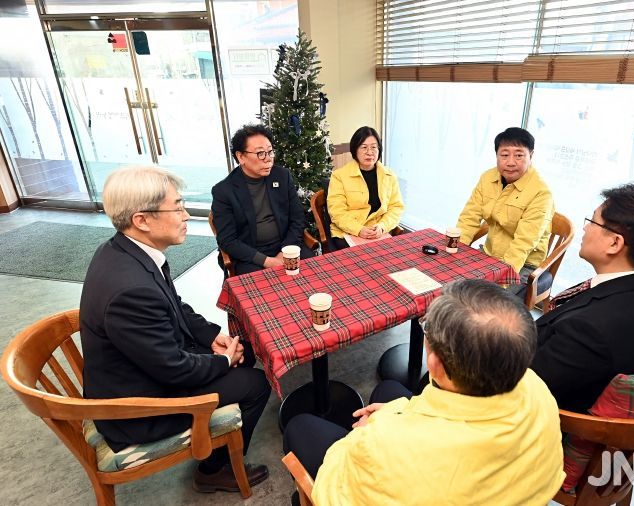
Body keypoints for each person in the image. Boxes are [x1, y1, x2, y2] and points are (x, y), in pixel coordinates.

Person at [283, 279, 565, 505]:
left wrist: (364, 435)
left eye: (426, 327)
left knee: (299, 427)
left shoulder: (384, 446)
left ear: (435, 364)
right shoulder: (538, 390)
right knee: (388, 390)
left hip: (405, 466)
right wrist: (394, 413)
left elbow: (337, 486)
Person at [80, 166, 272, 493]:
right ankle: (214, 470)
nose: (186, 216)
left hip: (142, 369)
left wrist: (212, 337)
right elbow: (174, 370)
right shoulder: (131, 290)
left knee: (245, 354)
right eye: (177, 207)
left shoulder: (125, 250)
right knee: (256, 383)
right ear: (142, 220)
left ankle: (218, 449)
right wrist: (222, 360)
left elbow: (174, 305)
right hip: (139, 409)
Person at [531, 183, 634, 413]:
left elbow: (526, 387)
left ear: (615, 243)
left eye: (592, 221)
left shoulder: (590, 331)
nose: (585, 228)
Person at [456, 127, 554, 295]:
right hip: (489, 254)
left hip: (523, 265)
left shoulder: (541, 193)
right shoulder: (488, 178)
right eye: (504, 155)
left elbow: (523, 244)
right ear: (496, 155)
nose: (510, 162)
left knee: (483, 301)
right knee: (448, 284)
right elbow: (469, 218)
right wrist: (455, 250)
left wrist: (498, 284)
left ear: (531, 156)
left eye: (519, 155)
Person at [211, 124, 312, 275]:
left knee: (314, 275)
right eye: (260, 153)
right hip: (250, 256)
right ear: (241, 157)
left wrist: (284, 252)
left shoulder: (282, 176)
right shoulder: (224, 191)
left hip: (286, 246)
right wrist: (266, 261)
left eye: (270, 152)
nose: (268, 159)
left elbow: (297, 219)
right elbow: (227, 240)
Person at [326, 126, 404, 250]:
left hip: (378, 231)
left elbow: (396, 207)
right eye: (364, 147)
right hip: (348, 232)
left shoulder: (389, 175)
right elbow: (337, 212)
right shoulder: (339, 176)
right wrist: (359, 229)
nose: (369, 152)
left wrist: (382, 226)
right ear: (355, 150)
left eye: (374, 147)